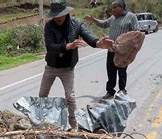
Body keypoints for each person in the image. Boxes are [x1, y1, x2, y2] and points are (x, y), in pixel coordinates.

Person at [40, 0, 114, 129]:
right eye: (54, 15)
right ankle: (42, 120)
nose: (56, 18)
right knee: (42, 95)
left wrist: (97, 43)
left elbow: (88, 36)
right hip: (51, 67)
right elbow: (50, 46)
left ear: (66, 13)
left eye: (59, 15)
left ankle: (74, 126)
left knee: (70, 98)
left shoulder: (76, 23)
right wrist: (67, 46)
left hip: (67, 68)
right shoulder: (49, 26)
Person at [85, 0, 138, 99]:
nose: (112, 9)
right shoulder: (113, 17)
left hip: (123, 52)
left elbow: (136, 33)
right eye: (112, 7)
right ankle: (110, 91)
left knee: (122, 72)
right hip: (111, 50)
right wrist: (94, 20)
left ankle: (122, 91)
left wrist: (129, 47)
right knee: (111, 71)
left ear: (121, 7)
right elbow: (104, 24)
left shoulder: (131, 17)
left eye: (115, 7)